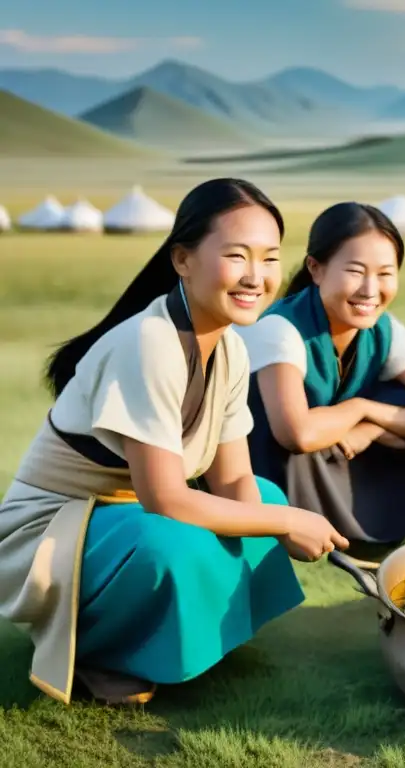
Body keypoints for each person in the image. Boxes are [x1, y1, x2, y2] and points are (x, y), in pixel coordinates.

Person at [0, 178, 348, 707]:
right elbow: (166, 498)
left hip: (125, 520)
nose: (257, 277)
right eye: (237, 255)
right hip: (53, 533)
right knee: (175, 541)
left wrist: (272, 522)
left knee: (265, 496)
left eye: (270, 258)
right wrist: (287, 524)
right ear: (182, 260)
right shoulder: (148, 343)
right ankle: (101, 650)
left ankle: (200, 629)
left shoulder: (229, 347)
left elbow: (232, 479)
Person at [238, 202, 405, 547]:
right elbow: (298, 435)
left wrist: (370, 420)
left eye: (385, 273)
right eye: (355, 271)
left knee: (404, 398)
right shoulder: (280, 329)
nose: (370, 289)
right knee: (381, 409)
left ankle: (383, 522)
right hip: (268, 470)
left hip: (333, 455)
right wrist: (356, 410)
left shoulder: (384, 328)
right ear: (316, 268)